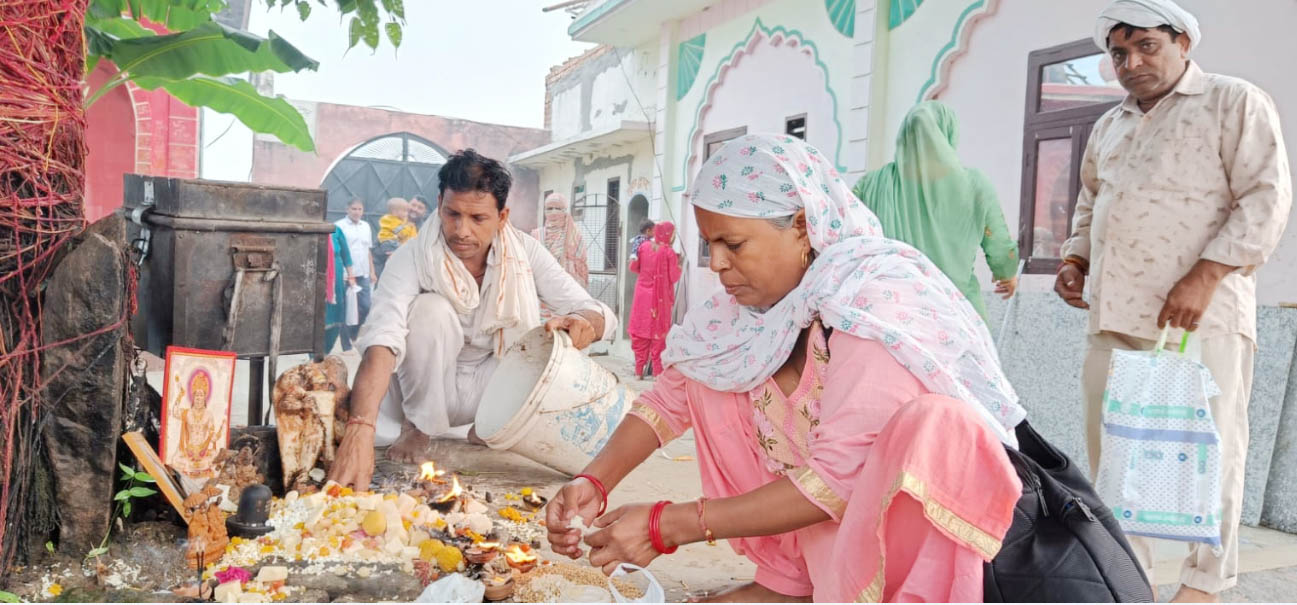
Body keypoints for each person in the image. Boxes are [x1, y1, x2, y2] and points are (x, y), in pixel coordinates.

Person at [546, 135, 1026, 602]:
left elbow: (838, 480)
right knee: (712, 370)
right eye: (709, 243)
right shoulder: (739, 318)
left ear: (800, 225)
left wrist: (667, 524)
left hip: (910, 554)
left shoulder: (870, 301)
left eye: (732, 244)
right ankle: (789, 583)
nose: (716, 263)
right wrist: (594, 481)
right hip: (831, 540)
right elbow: (667, 401)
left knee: (934, 430)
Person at [1056, 2, 1291, 601]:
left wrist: (1206, 274)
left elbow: (1266, 197)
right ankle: (1131, 579)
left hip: (1199, 318)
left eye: (1146, 47)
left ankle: (1203, 584)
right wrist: (1075, 259)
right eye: (1118, 53)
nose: (1131, 63)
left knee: (1208, 454)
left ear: (1183, 42)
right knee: (1117, 456)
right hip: (1113, 318)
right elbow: (1089, 202)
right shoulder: (1110, 124)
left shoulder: (1233, 101)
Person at [329, 150, 619, 489]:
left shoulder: (524, 252)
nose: (461, 230)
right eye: (452, 214)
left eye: (477, 218)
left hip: (491, 390)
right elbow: (383, 337)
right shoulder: (413, 256)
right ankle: (418, 428)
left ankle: (488, 426)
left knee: (539, 338)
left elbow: (599, 312)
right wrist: (360, 428)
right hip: (422, 391)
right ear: (439, 204)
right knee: (430, 310)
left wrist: (583, 322)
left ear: (502, 216)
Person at [852, 101, 1018, 320]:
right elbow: (999, 245)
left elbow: (848, 235)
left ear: (904, 136)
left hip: (889, 314)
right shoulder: (975, 185)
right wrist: (1006, 274)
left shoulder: (872, 184)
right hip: (956, 315)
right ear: (948, 134)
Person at [628, 222, 680, 380]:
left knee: (641, 331)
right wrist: (679, 266)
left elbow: (633, 267)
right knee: (657, 333)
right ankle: (657, 373)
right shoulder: (669, 253)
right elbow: (674, 277)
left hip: (642, 297)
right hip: (660, 299)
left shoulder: (643, 247)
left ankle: (638, 371)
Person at [335, 199, 376, 343]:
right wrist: (342, 273)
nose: (357, 212)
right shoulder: (339, 226)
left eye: (359, 209)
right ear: (347, 209)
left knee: (365, 306)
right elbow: (337, 252)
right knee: (346, 308)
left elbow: (368, 250)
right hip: (346, 274)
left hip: (362, 273)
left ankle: (354, 333)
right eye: (354, 209)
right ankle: (346, 343)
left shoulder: (366, 226)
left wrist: (372, 271)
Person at [531, 193, 589, 289]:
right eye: (549, 208)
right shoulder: (536, 234)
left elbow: (580, 264)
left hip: (567, 287)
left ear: (564, 210)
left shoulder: (574, 235)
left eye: (558, 208)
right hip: (542, 287)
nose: (553, 212)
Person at [324, 224, 355, 352]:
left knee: (337, 316)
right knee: (317, 318)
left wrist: (351, 276)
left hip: (335, 284)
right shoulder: (309, 230)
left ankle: (326, 351)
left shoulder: (336, 230)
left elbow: (346, 256)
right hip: (315, 280)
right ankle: (315, 355)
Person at [375, 197, 417, 276]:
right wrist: (408, 226)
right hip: (388, 241)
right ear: (394, 212)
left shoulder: (400, 221)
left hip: (393, 241)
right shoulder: (390, 220)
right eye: (404, 211)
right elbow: (401, 233)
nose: (406, 214)